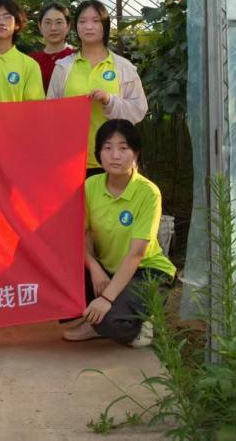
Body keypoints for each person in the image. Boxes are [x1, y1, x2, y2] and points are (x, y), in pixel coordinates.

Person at [62, 119, 175, 345]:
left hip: (146, 271)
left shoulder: (148, 193)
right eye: (107, 148)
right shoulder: (91, 185)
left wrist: (106, 298)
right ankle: (100, 317)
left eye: (123, 148)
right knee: (60, 283)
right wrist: (94, 267)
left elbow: (136, 254)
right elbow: (81, 234)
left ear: (136, 154)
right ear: (98, 153)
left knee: (110, 320)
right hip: (107, 269)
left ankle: (140, 322)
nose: (115, 155)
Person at [47, 0, 147, 176]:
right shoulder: (63, 67)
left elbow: (138, 110)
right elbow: (50, 113)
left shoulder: (123, 67)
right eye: (82, 21)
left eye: (95, 21)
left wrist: (110, 101)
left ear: (105, 25)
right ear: (76, 27)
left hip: (114, 160)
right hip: (71, 161)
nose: (88, 26)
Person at [29, 2, 76, 91]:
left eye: (59, 22)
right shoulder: (31, 60)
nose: (53, 28)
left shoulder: (76, 57)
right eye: (47, 22)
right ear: (40, 26)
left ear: (68, 26)